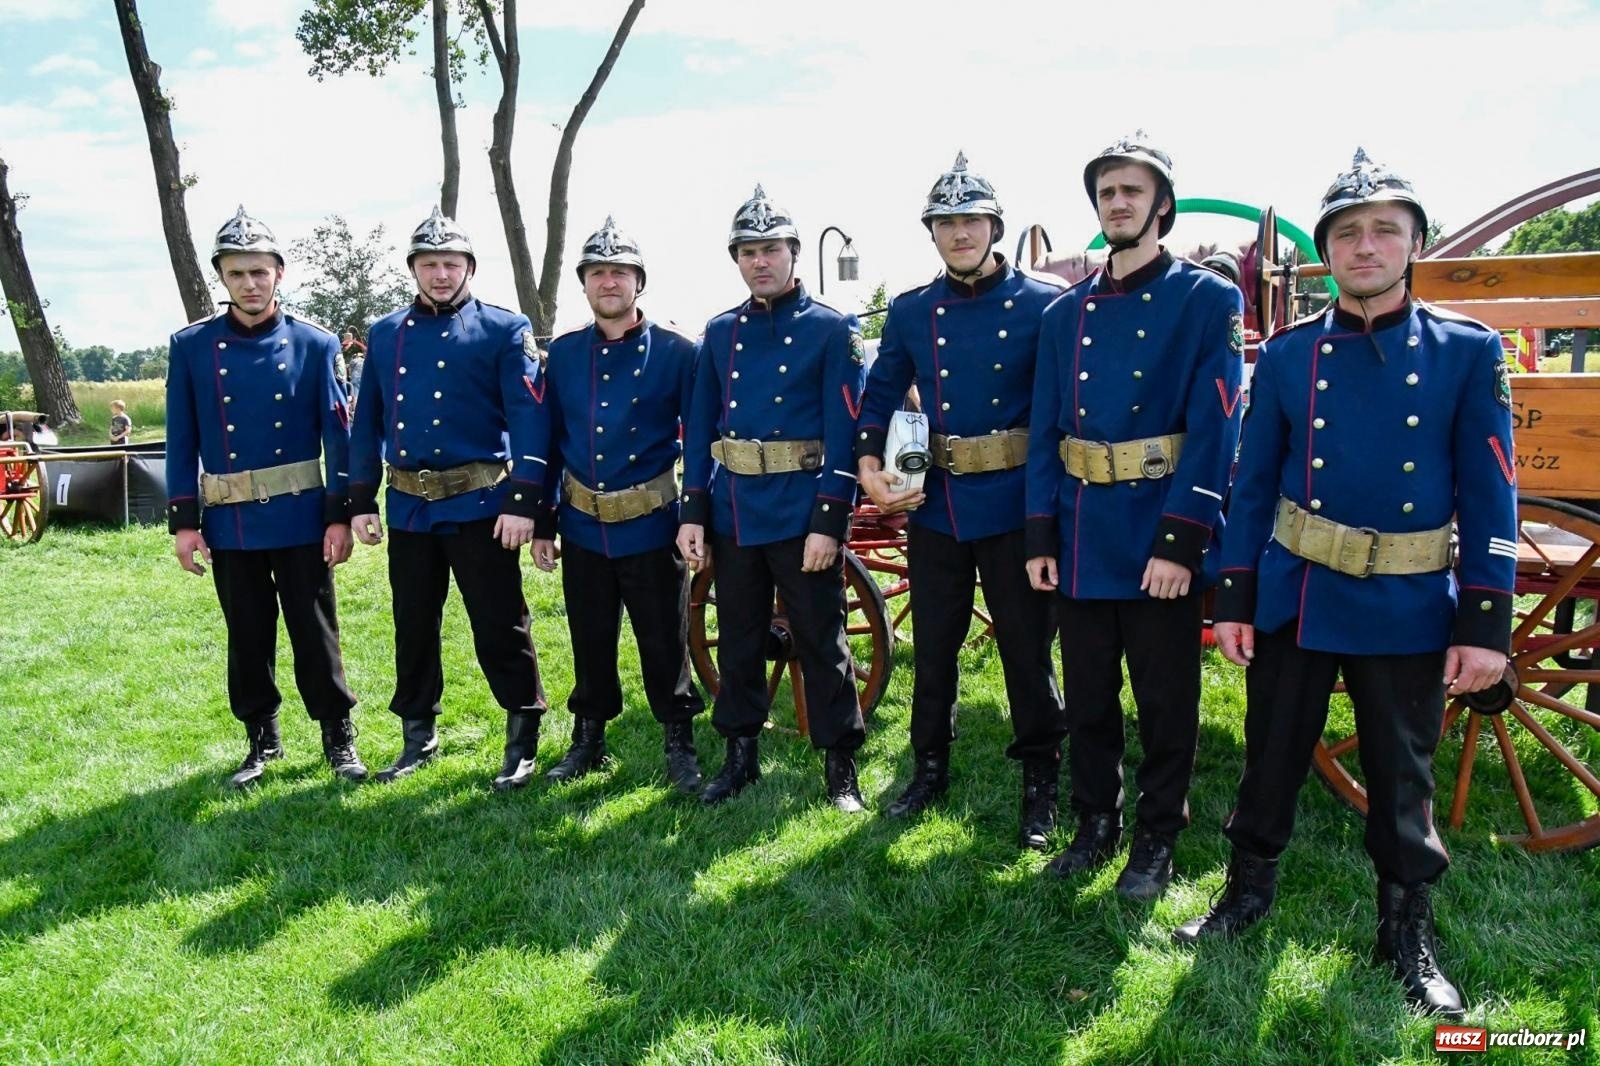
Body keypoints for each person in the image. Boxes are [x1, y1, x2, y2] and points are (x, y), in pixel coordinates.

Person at [1171, 150, 1516, 1022]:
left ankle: (1406, 933)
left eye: (1384, 231)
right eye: (1349, 233)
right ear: (1327, 251)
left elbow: (1489, 492)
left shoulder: (1466, 354)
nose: (1366, 247)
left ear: (1413, 245)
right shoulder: (1287, 357)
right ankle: (1246, 895)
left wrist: (1485, 625)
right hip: (1298, 595)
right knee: (1270, 758)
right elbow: (1252, 486)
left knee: (1403, 779)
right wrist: (1237, 599)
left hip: (1405, 603)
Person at [1025, 132, 1244, 898]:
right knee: (1087, 694)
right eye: (1107, 192)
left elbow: (1217, 432)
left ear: (1162, 205)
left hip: (1157, 530)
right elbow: (1045, 429)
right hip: (1082, 534)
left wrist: (1181, 543)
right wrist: (1040, 532)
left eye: (1132, 191)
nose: (1118, 203)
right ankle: (1094, 822)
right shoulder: (1063, 315)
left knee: (1164, 701)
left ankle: (1157, 836)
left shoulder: (1206, 299)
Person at [854, 152, 1068, 850]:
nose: (959, 234)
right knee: (936, 647)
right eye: (945, 224)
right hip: (939, 502)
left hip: (1016, 502)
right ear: (933, 235)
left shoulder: (1046, 304)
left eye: (971, 221)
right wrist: (866, 461)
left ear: (994, 226)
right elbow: (882, 391)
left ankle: (1041, 782)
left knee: (1027, 653)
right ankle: (927, 770)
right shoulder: (915, 310)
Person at [677, 185, 868, 811]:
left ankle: (840, 768)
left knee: (821, 638)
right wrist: (694, 513)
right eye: (748, 251)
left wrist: (829, 521)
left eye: (772, 249)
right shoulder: (720, 332)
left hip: (802, 509)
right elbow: (701, 427)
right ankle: (740, 756)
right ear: (737, 259)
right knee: (737, 637)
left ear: (794, 253)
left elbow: (846, 435)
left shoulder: (831, 330)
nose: (760, 261)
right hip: (734, 510)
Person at [348, 207, 551, 790]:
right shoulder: (386, 335)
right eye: (429, 263)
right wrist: (360, 499)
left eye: (451, 263)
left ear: (469, 268)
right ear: (414, 268)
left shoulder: (503, 330)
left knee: (499, 622)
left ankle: (523, 734)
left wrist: (524, 502)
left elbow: (528, 420)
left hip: (482, 504)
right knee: (413, 622)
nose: (440, 274)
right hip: (409, 504)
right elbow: (368, 423)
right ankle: (418, 733)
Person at [164, 205, 365, 788]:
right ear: (220, 279)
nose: (250, 284)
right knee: (247, 633)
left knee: (314, 630)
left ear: (280, 272)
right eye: (236, 274)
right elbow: (183, 438)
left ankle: (337, 734)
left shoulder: (316, 343)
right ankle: (262, 739)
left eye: (259, 271)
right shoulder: (193, 347)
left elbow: (339, 438)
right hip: (229, 522)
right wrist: (184, 522)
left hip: (302, 518)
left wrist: (340, 517)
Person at [530, 217, 705, 792]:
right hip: (582, 525)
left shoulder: (678, 352)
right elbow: (550, 441)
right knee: (590, 635)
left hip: (653, 523)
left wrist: (692, 515)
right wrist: (543, 522)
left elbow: (700, 437)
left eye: (620, 273)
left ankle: (679, 740)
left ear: (639, 283)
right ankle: (589, 739)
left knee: (664, 637)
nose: (609, 282)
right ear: (584, 283)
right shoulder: (565, 353)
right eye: (598, 272)